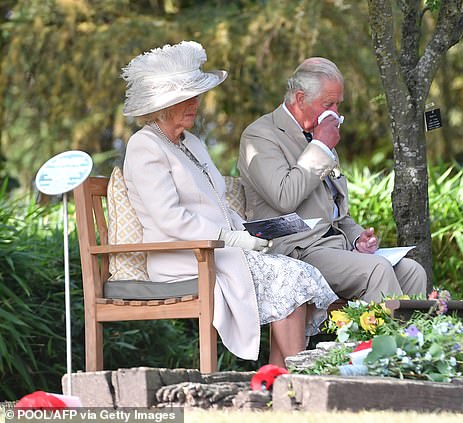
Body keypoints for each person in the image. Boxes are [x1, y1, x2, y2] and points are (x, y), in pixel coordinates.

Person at [120, 41, 338, 368]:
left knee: (298, 272)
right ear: (163, 105)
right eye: (187, 97)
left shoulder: (189, 142)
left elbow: (216, 203)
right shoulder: (144, 146)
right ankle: (293, 379)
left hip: (218, 248)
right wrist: (232, 238)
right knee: (289, 277)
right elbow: (171, 219)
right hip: (183, 255)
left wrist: (253, 232)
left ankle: (279, 379)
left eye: (196, 95)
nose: (196, 103)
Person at [238, 57, 427, 304]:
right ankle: (379, 343)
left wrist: (359, 237)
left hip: (333, 247)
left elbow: (336, 212)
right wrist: (320, 146)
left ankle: (412, 341)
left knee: (413, 272)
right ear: (300, 98)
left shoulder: (319, 136)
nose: (335, 114)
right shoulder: (261, 135)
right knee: (377, 270)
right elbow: (284, 197)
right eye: (329, 103)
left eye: (338, 104)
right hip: (295, 250)